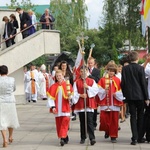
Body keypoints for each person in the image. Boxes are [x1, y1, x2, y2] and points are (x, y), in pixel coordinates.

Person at [121, 51, 148, 145]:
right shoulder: (140, 68)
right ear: (137, 58)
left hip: (130, 96)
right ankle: (139, 136)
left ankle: (134, 138)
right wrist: (146, 97)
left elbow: (123, 83)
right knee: (140, 116)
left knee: (133, 116)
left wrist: (125, 94)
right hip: (140, 95)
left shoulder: (125, 69)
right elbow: (143, 83)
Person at [72, 66, 99, 145]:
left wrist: (88, 88)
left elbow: (95, 90)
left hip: (89, 103)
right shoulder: (76, 82)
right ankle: (83, 137)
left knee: (90, 121)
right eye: (81, 72)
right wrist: (80, 95)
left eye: (84, 71)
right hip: (81, 104)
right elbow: (74, 93)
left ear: (87, 72)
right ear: (79, 73)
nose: (83, 73)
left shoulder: (91, 81)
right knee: (82, 121)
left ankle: (92, 138)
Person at [97, 63, 123, 143]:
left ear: (115, 72)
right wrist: (104, 91)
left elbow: (121, 90)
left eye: (112, 71)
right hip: (105, 103)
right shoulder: (102, 80)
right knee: (104, 119)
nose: (111, 72)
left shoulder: (117, 80)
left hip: (114, 103)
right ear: (107, 71)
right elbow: (98, 89)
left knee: (114, 120)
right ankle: (107, 130)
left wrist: (117, 94)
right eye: (109, 70)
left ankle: (113, 136)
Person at [47, 69, 73, 146]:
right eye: (57, 76)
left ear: (63, 75)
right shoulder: (53, 86)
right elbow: (50, 98)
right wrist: (53, 107)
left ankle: (62, 138)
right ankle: (65, 137)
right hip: (57, 109)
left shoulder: (68, 85)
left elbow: (72, 96)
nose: (59, 77)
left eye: (60, 76)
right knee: (59, 124)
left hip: (65, 108)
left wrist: (70, 97)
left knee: (65, 122)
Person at [0, 65, 20, 148]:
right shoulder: (12, 79)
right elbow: (14, 89)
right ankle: (10, 136)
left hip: (1, 101)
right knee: (11, 119)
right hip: (11, 101)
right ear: (7, 72)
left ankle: (4, 139)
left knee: (2, 121)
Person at [88, 57, 100, 130]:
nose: (90, 64)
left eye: (91, 63)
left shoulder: (97, 71)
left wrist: (89, 76)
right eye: (89, 63)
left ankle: (94, 123)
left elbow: (97, 80)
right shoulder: (84, 70)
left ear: (94, 63)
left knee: (94, 107)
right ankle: (89, 123)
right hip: (86, 90)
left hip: (93, 91)